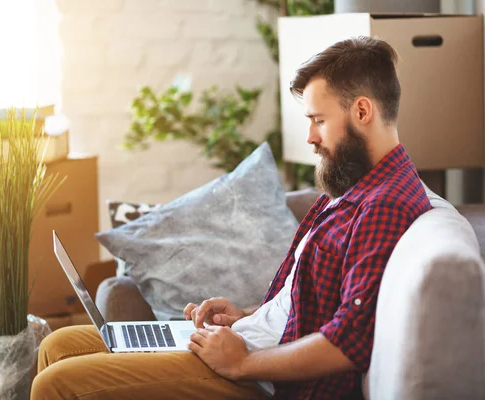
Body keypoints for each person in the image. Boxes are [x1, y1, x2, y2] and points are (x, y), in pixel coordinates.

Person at [31, 36, 432, 400]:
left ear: (362, 110)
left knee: (56, 383)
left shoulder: (384, 205)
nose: (311, 136)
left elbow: (348, 341)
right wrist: (246, 316)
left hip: (262, 380)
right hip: (252, 350)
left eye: (319, 120)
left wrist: (241, 362)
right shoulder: (355, 186)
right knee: (58, 345)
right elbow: (305, 304)